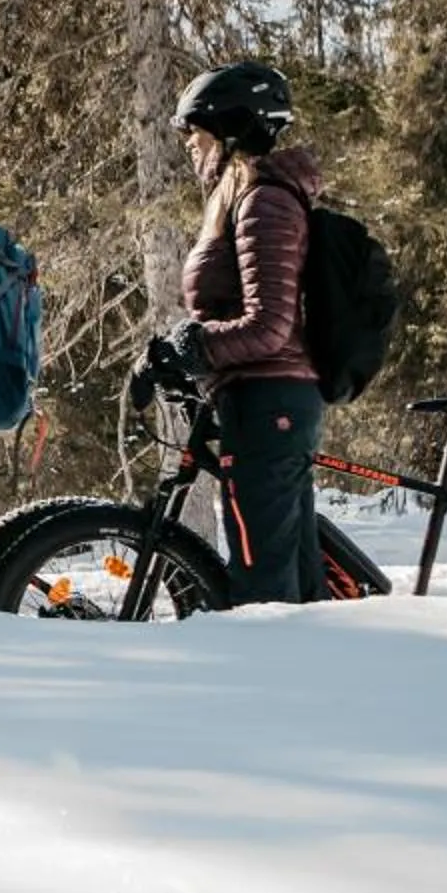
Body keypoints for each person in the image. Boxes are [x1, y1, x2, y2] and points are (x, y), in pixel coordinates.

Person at [145, 60, 326, 604]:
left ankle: (268, 683)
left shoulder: (263, 202)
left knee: (263, 591)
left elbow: (270, 326)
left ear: (231, 133)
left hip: (268, 400)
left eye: (196, 136)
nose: (190, 149)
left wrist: (196, 347)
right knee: (287, 579)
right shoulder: (247, 200)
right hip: (262, 399)